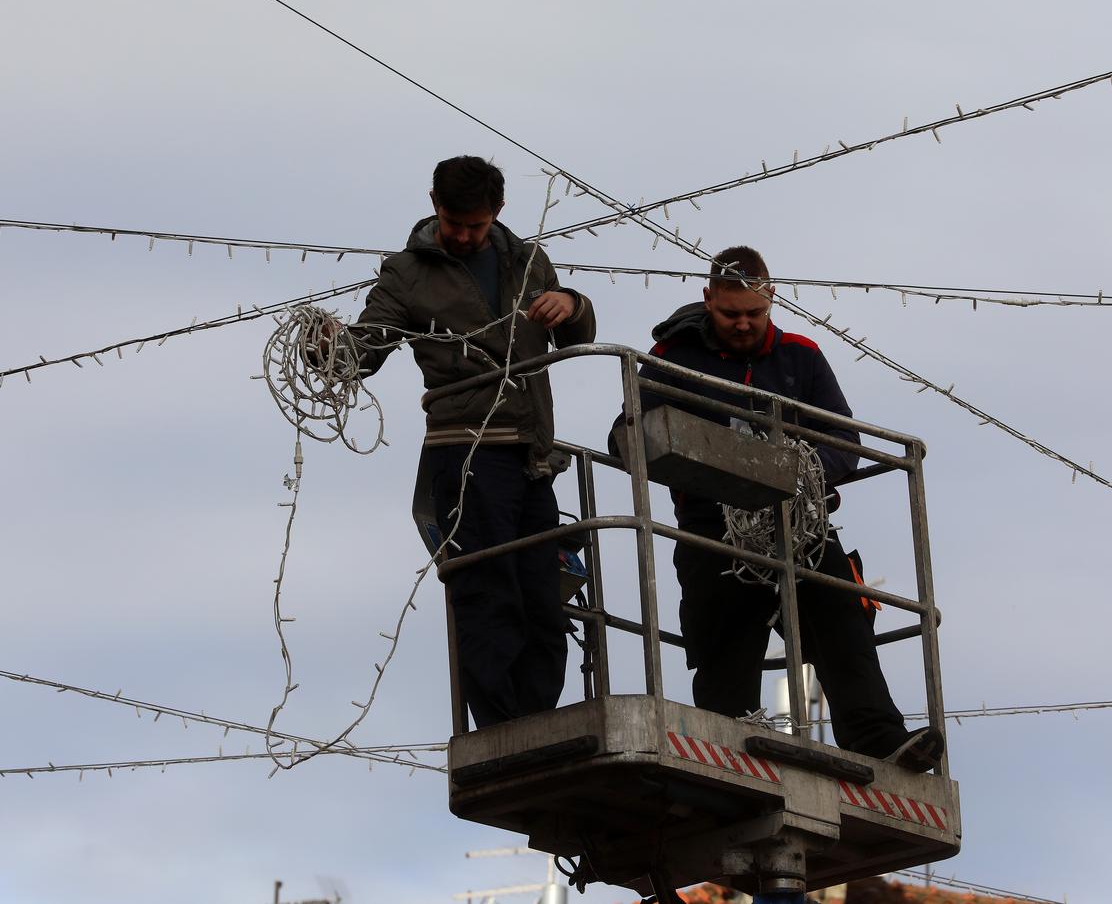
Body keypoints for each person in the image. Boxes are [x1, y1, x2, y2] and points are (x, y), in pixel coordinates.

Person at [616, 245, 940, 771]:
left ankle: (878, 739)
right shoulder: (671, 359)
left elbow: (844, 439)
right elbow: (629, 433)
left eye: (755, 313)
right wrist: (650, 441)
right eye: (730, 314)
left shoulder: (801, 355)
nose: (743, 324)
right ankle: (725, 744)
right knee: (723, 638)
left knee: (843, 618)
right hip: (712, 530)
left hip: (802, 529)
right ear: (707, 300)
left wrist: (794, 471)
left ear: (772, 301)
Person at [346, 155, 596, 729]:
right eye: (453, 222)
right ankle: (504, 728)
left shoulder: (530, 262)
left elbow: (576, 337)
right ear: (434, 203)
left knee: (543, 596)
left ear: (498, 214)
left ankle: (540, 721)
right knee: (489, 592)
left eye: (475, 226)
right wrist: (332, 350)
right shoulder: (406, 273)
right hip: (465, 450)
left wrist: (574, 305)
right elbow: (369, 342)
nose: (461, 235)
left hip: (533, 454)